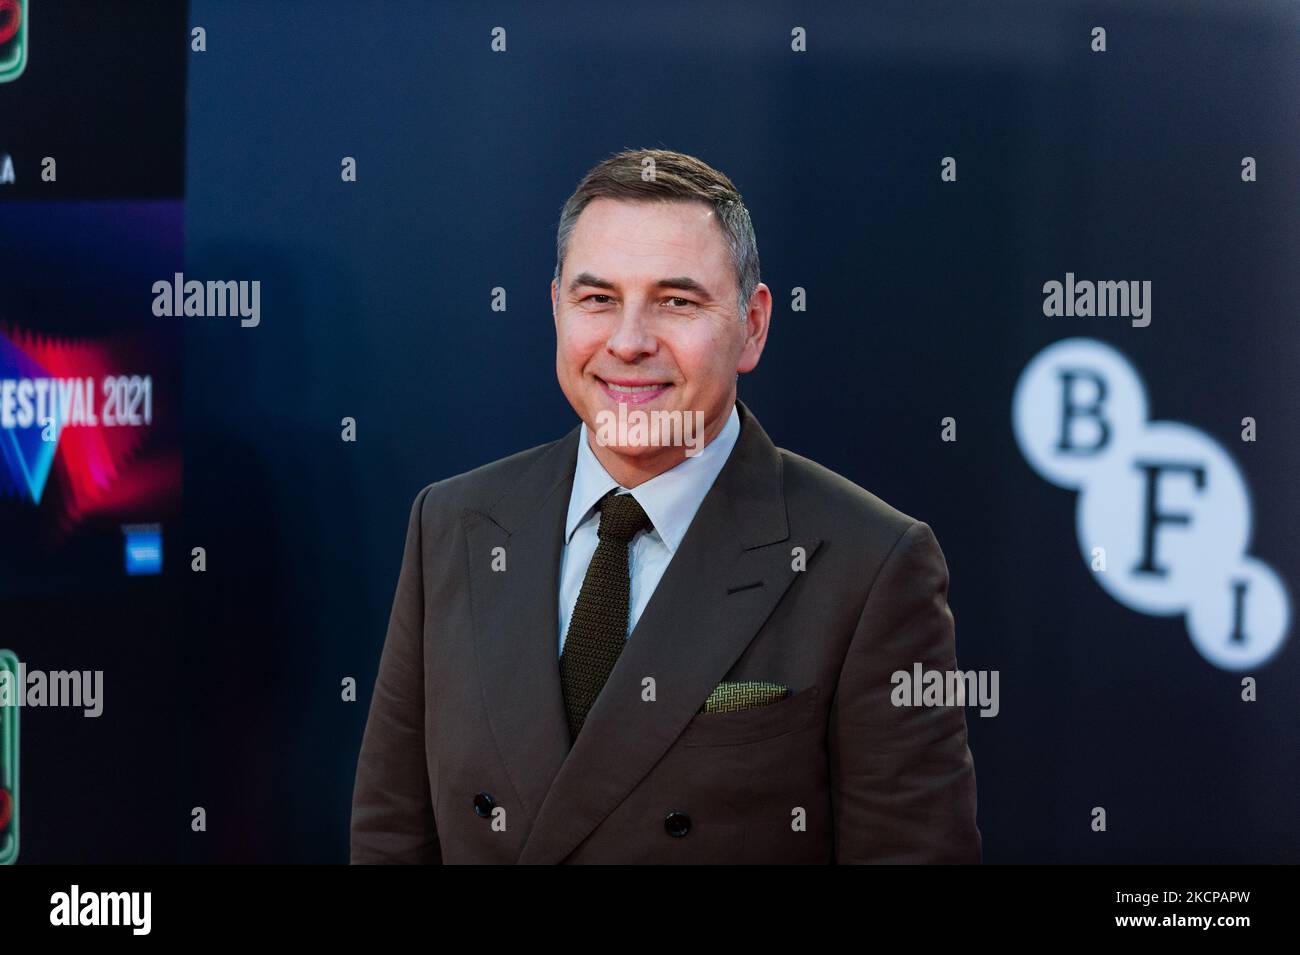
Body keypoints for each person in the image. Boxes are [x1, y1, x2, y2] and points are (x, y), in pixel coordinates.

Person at [350, 148, 981, 863]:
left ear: (753, 325)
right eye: (598, 299)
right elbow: (391, 835)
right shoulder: (452, 522)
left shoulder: (871, 565)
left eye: (677, 302)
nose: (629, 342)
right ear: (556, 307)